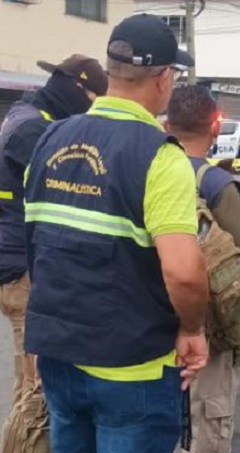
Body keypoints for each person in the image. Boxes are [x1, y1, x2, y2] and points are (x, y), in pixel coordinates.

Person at [23, 14, 208, 453]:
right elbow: (183, 272)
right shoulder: (159, 155)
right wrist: (192, 330)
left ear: (110, 70)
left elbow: (41, 242)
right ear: (165, 77)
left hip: (58, 351)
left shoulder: (51, 138)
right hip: (133, 364)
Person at [157, 84, 240, 453]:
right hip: (207, 329)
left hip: (149, 322)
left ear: (167, 122)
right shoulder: (217, 183)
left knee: (149, 430)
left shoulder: (150, 167)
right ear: (215, 125)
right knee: (205, 439)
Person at [0, 54, 107, 407]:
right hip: (22, 268)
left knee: (30, 386)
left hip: (18, 261)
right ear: (77, 88)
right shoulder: (32, 128)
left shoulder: (28, 115)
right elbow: (65, 186)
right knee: (35, 393)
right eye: (93, 99)